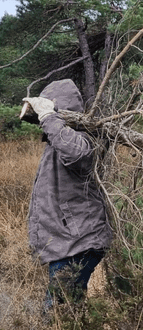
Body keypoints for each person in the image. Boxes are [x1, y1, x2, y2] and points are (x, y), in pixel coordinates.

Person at [21, 79, 112, 312]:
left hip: (78, 242)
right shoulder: (57, 141)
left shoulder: (85, 139)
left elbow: (76, 153)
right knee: (68, 311)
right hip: (68, 243)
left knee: (57, 315)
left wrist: (50, 117)